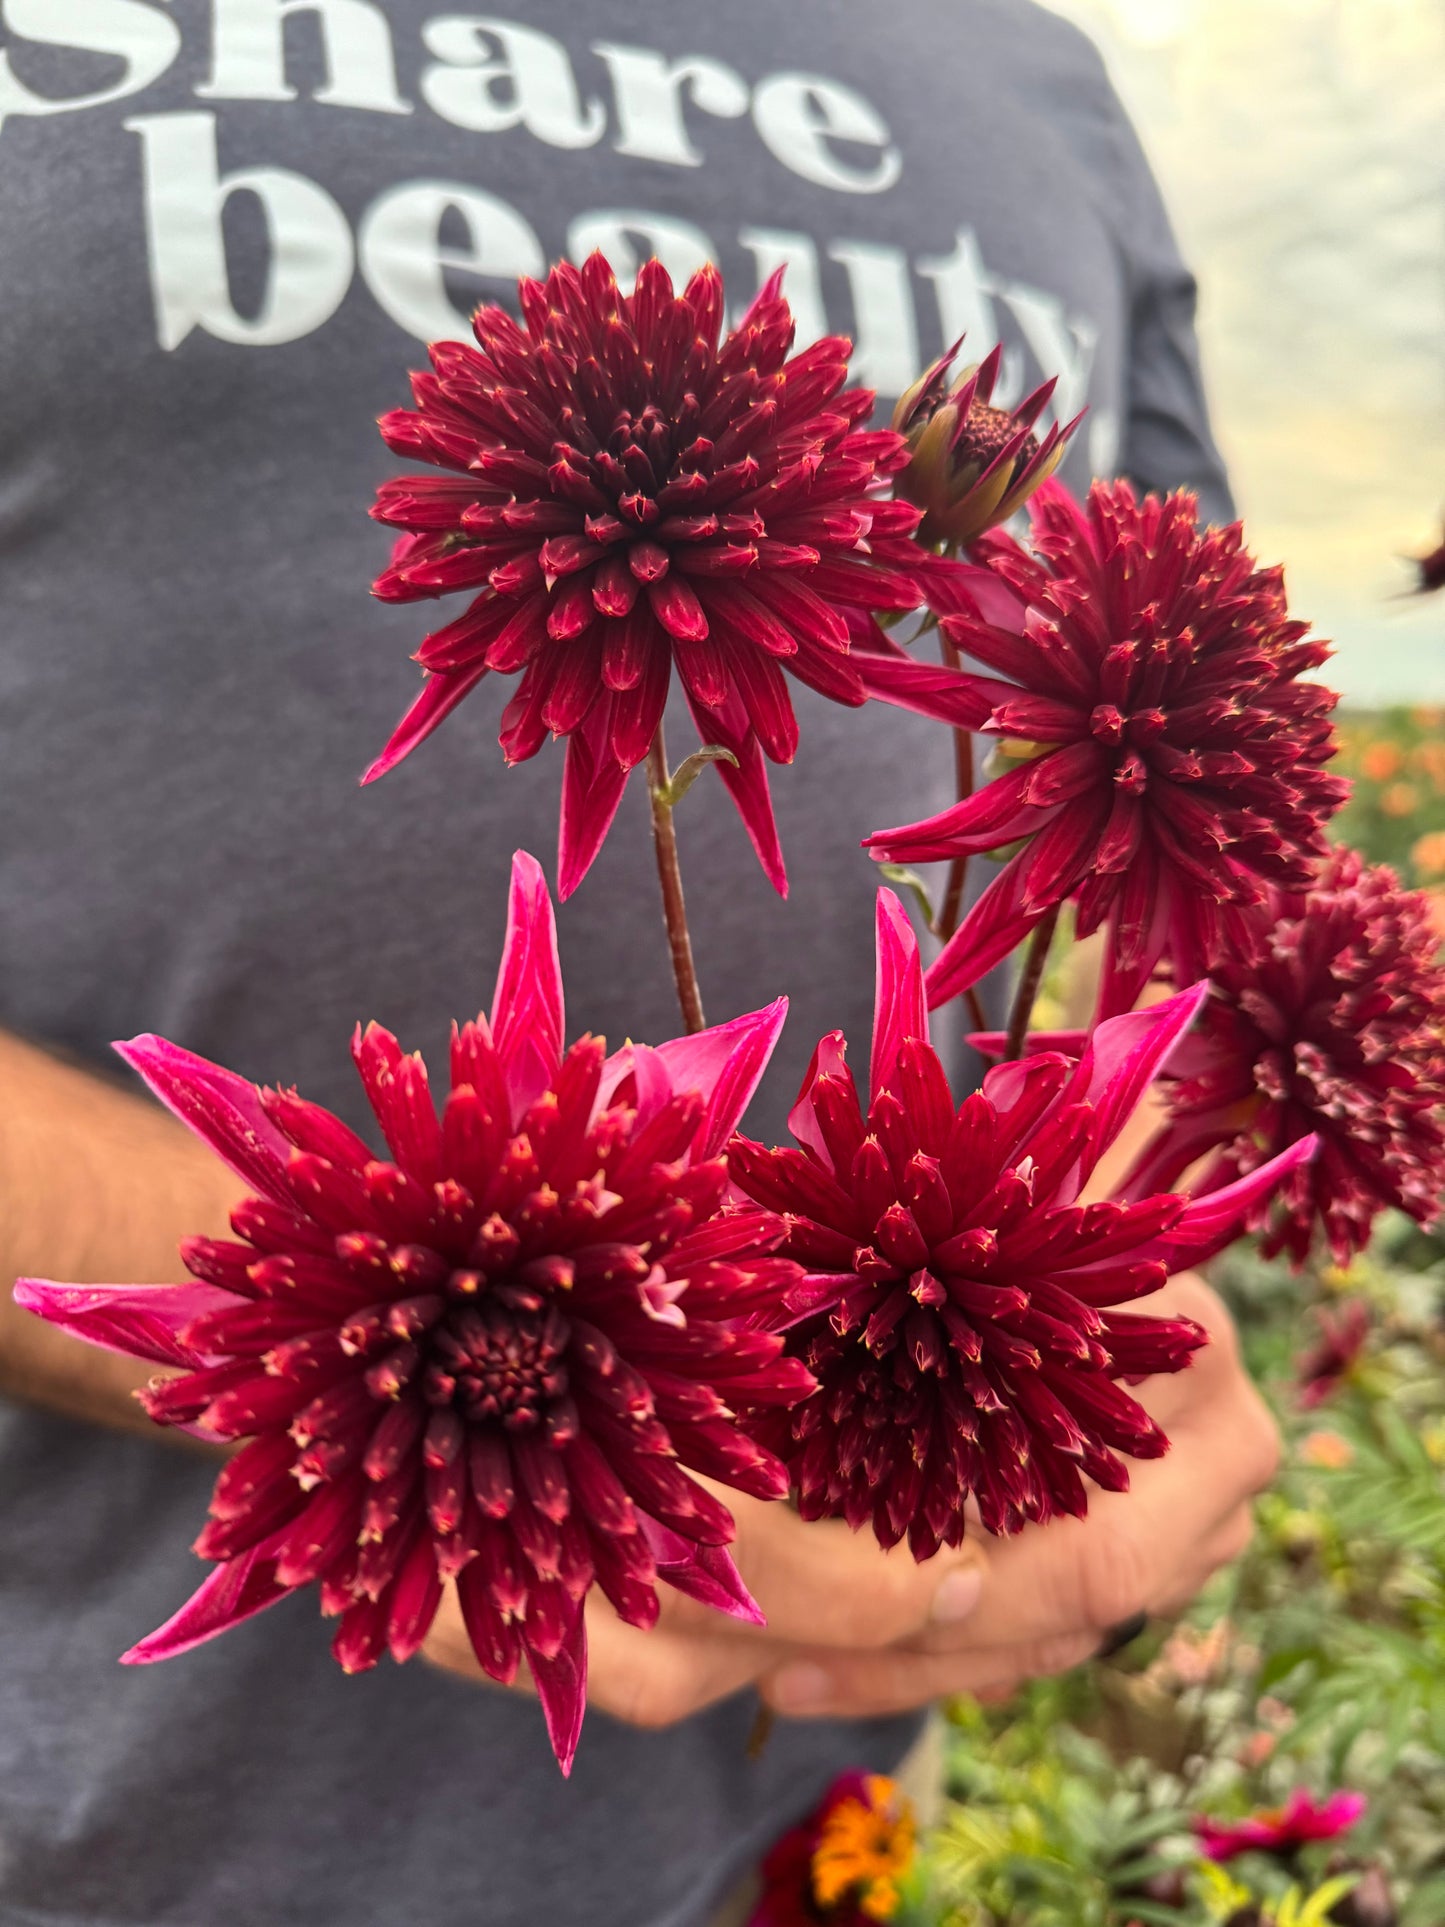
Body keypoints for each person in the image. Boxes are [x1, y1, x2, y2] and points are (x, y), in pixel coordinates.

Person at [0, 3, 1273, 1922]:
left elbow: (1199, 776)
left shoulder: (1032, 70)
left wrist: (1113, 1315)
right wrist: (340, 1317)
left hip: (814, 1832)